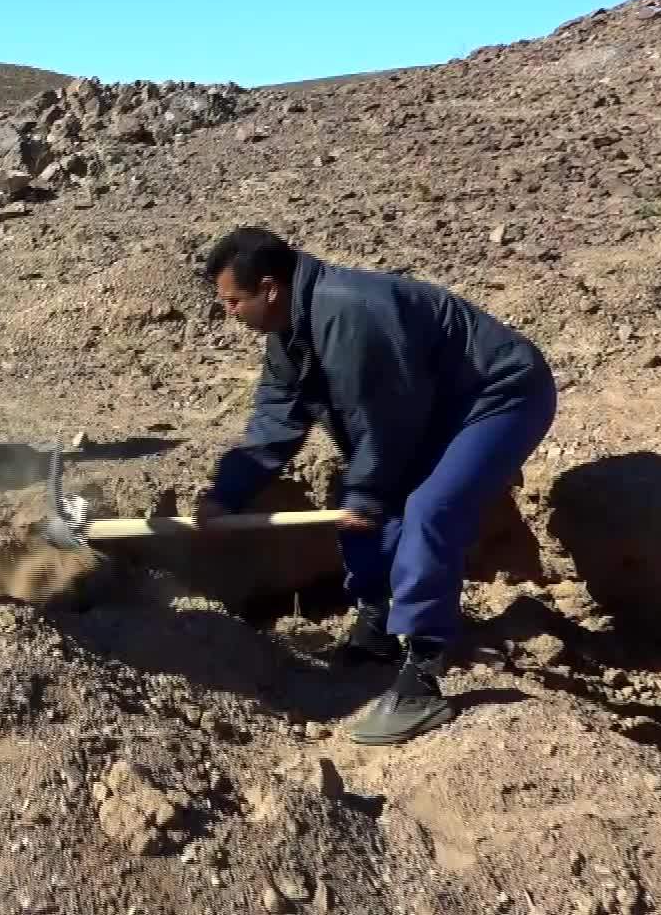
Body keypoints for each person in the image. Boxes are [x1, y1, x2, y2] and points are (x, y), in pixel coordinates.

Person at [195, 226, 557, 745]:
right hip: (428, 410)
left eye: (233, 301)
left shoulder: (352, 313)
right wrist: (225, 494)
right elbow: (276, 422)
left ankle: (423, 673)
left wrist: (368, 496)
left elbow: (384, 424)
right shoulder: (288, 335)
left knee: (429, 508)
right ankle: (379, 623)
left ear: (270, 289)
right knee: (359, 500)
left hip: (498, 396)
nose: (227, 312)